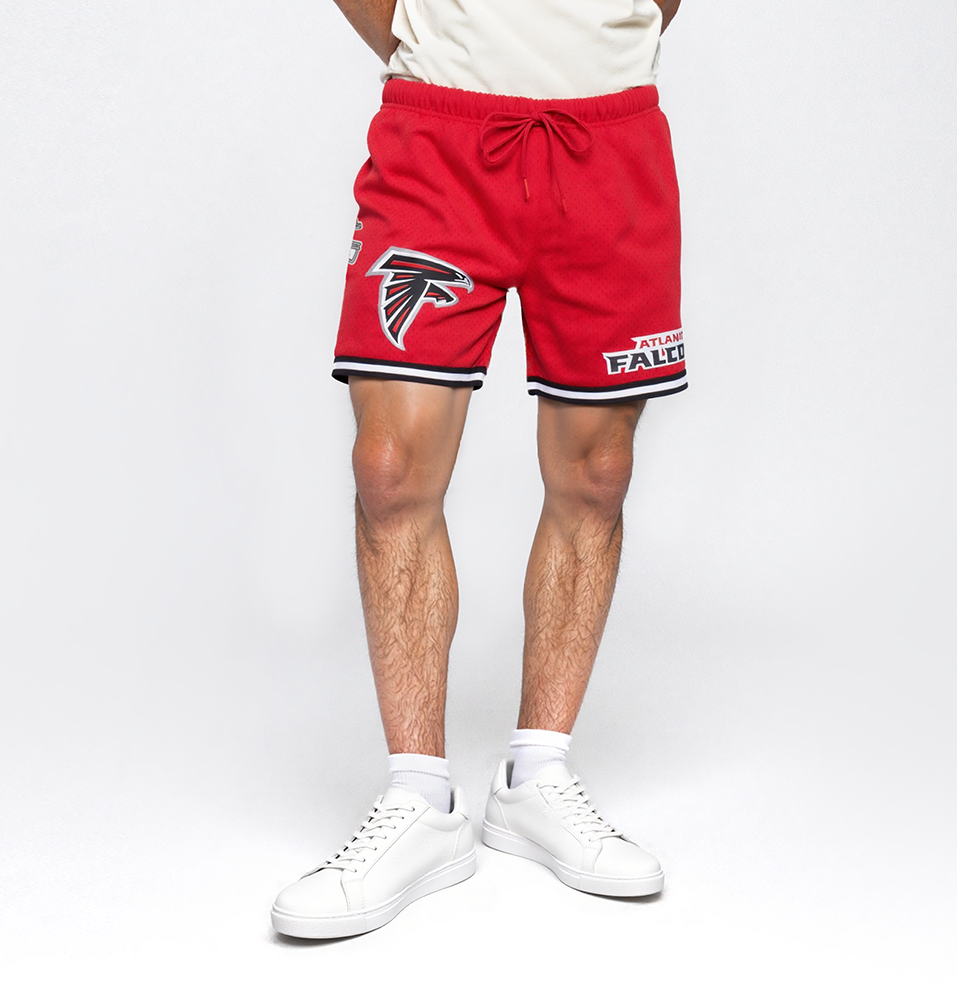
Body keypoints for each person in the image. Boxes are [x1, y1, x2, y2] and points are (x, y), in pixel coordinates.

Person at [271, 0, 685, 938]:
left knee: (597, 470)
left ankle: (537, 776)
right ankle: (419, 800)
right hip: (440, 138)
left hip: (609, 141)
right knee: (390, 470)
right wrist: (430, 45)